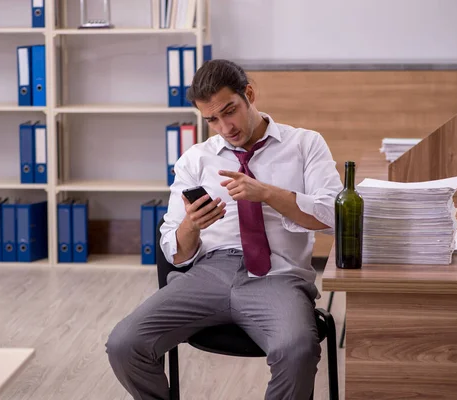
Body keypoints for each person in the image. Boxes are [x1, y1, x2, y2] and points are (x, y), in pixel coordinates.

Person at [106, 59, 343, 399]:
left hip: (276, 276)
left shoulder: (305, 144)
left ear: (249, 93)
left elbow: (332, 215)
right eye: (212, 120)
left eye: (229, 111)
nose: (224, 127)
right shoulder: (195, 159)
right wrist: (193, 225)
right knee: (124, 344)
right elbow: (175, 251)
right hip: (208, 273)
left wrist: (268, 194)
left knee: (298, 350)